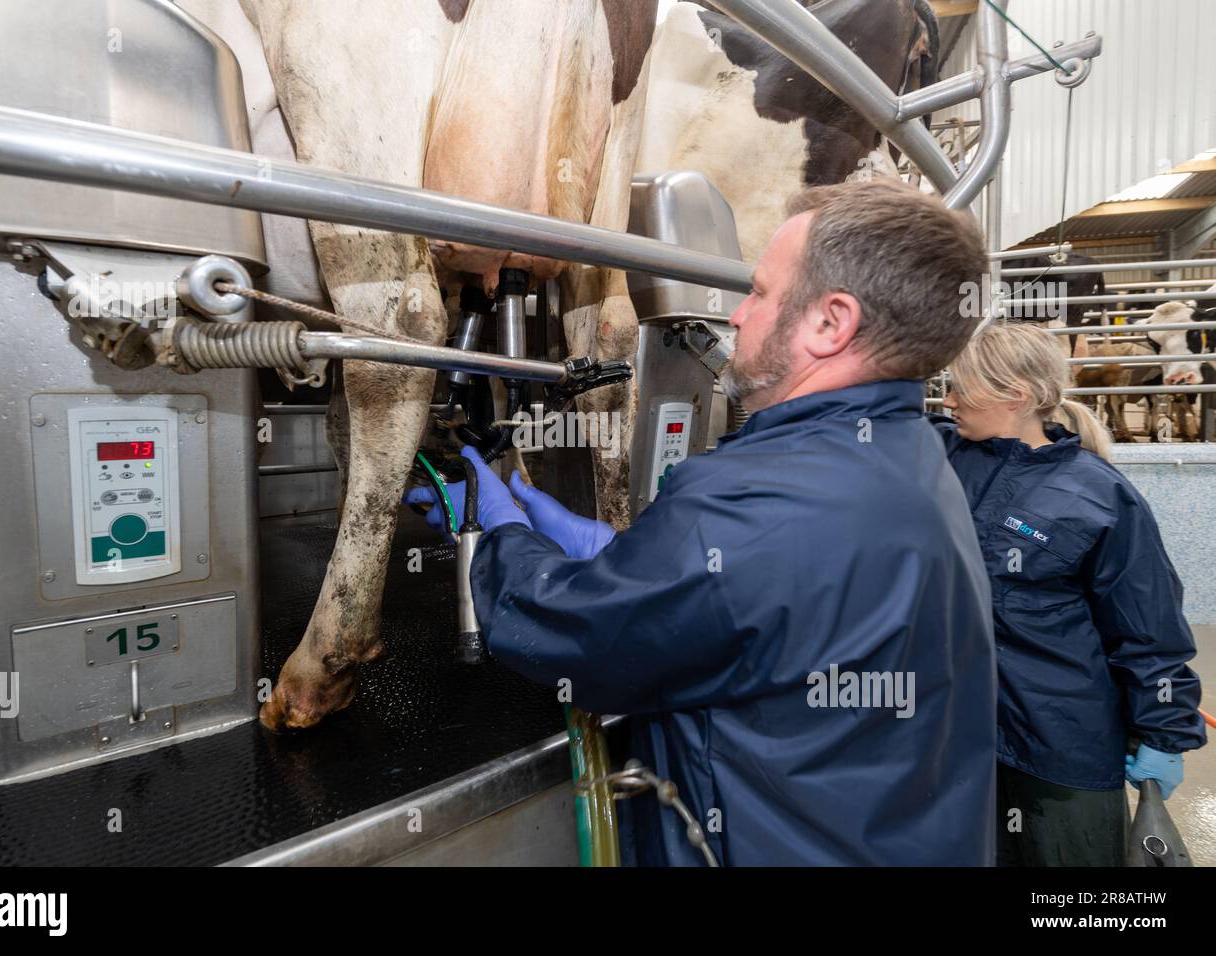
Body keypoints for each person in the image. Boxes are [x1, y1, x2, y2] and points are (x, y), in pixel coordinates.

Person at [408, 179, 997, 865]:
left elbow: (579, 638)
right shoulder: (912, 454)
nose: (739, 316)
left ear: (831, 323)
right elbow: (759, 604)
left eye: (761, 292)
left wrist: (500, 540)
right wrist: (619, 553)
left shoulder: (759, 497)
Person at [936, 323, 1206, 867]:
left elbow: (1146, 627)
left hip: (1060, 743)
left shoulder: (1097, 495)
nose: (948, 400)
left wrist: (1164, 730)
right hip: (959, 735)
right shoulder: (945, 458)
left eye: (960, 387)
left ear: (1014, 394)